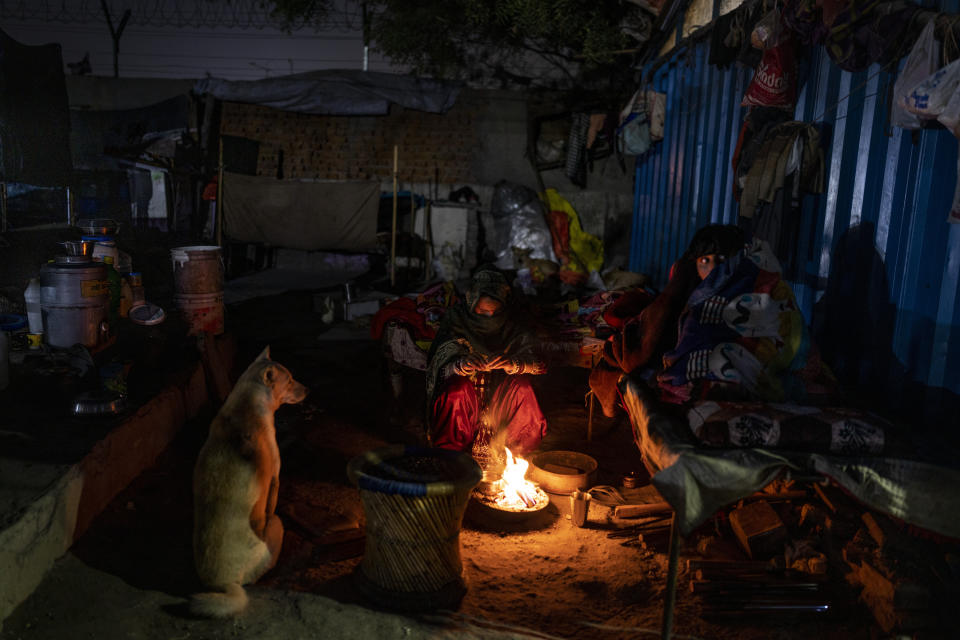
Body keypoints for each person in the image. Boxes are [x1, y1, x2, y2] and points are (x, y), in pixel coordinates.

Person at [589, 224, 746, 416]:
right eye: (705, 260)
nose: (712, 268)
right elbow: (644, 349)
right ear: (694, 262)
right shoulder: (685, 292)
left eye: (720, 262)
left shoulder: (744, 295)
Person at [426, 267, 547, 467]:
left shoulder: (515, 322)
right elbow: (439, 361)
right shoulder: (457, 319)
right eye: (483, 312)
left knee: (523, 388)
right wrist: (461, 365)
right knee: (455, 391)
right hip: (465, 405)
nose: (490, 317)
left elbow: (539, 361)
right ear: (472, 303)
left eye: (496, 312)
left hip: (502, 401)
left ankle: (517, 453)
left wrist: (513, 363)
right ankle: (451, 455)